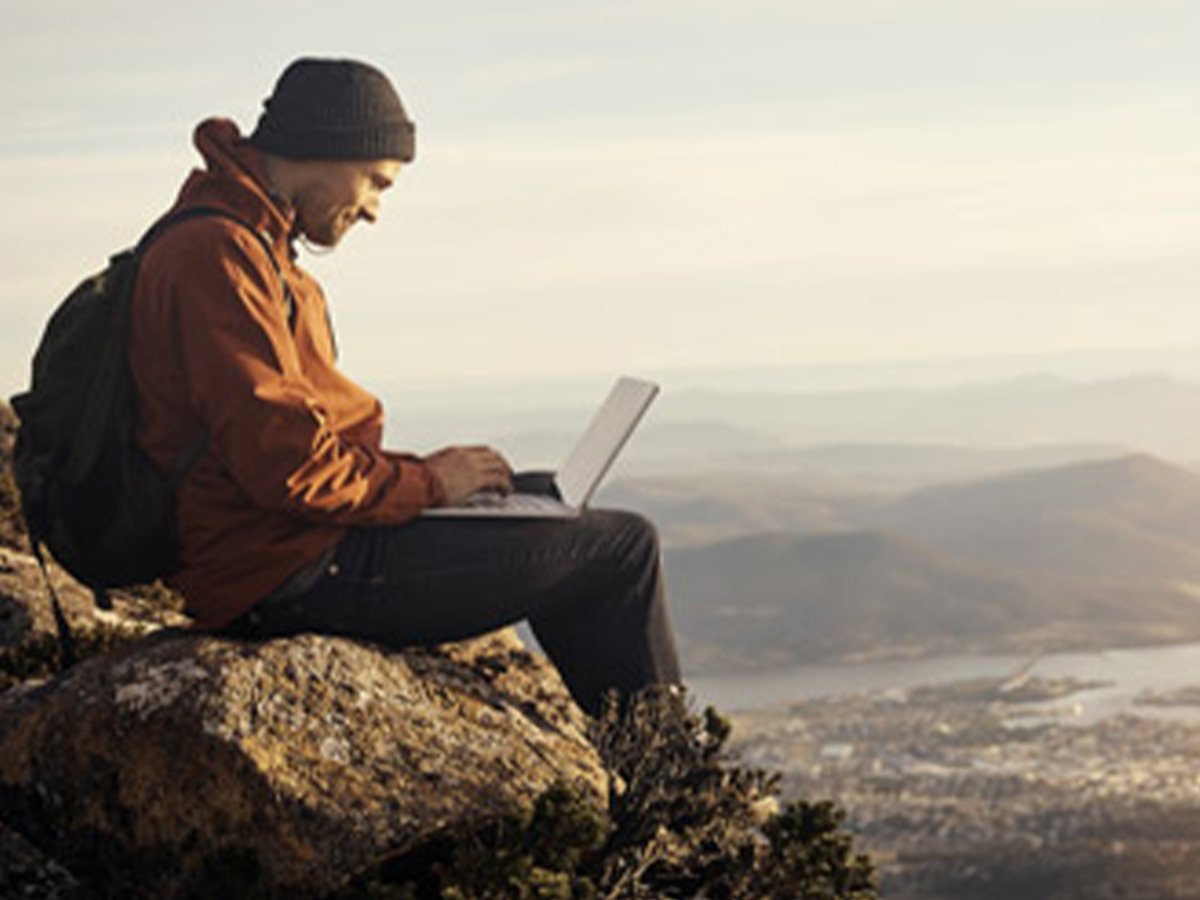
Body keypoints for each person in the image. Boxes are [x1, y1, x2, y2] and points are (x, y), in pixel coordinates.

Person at [127, 57, 681, 716]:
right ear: (330, 148)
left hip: (287, 547)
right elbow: (290, 468)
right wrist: (430, 485)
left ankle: (624, 763)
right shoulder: (221, 255)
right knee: (622, 547)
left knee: (535, 498)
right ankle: (673, 798)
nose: (373, 211)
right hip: (283, 573)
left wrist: (431, 479)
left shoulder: (249, 241)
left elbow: (286, 447)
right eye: (375, 183)